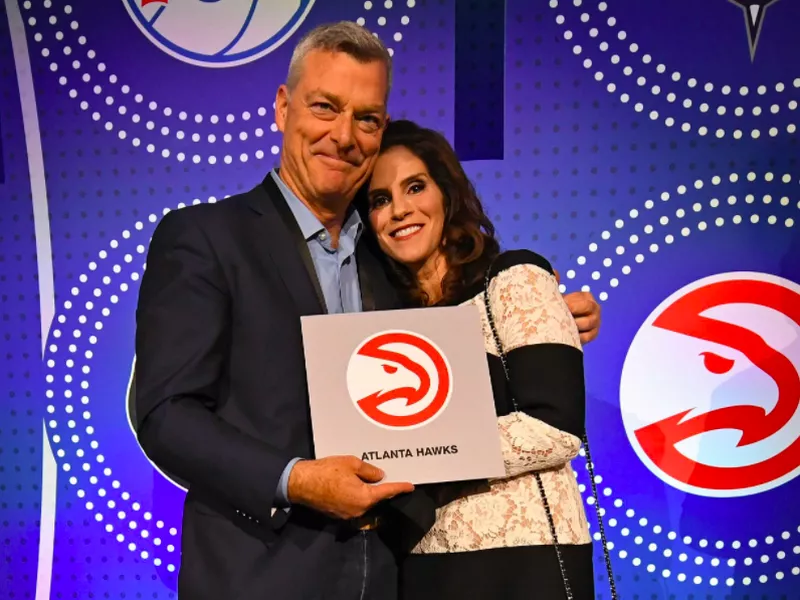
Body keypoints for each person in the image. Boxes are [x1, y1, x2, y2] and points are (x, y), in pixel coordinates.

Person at [134, 21, 601, 600]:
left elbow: (456, 335)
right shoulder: (206, 237)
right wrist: (297, 480)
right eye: (325, 107)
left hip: (390, 579)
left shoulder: (392, 261)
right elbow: (167, 413)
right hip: (257, 577)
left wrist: (546, 316)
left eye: (367, 118)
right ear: (283, 108)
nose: (344, 135)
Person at [360, 119, 596, 600]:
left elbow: (555, 426)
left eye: (415, 187)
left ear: (446, 193)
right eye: (380, 199)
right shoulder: (378, 324)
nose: (400, 209)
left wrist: (416, 451)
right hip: (419, 565)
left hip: (524, 561)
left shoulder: (512, 279)